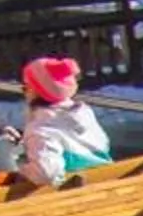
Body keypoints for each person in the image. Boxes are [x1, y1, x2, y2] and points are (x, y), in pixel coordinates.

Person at [18, 57, 109, 187]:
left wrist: (21, 168)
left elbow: (47, 173)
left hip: (75, 196)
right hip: (105, 182)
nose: (24, 93)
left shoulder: (42, 130)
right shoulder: (84, 115)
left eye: (25, 88)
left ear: (36, 92)